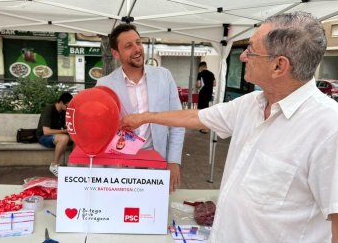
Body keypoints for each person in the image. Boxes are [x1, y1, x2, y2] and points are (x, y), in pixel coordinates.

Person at [120, 12, 338, 242]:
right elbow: (197, 117)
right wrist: (145, 117)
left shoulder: (328, 128)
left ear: (278, 66)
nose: (243, 57)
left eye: (251, 50)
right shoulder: (251, 103)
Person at [96, 23, 185, 192]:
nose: (137, 49)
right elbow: (100, 129)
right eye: (129, 46)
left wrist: (174, 161)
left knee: (153, 211)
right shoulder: (104, 84)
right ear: (116, 53)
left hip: (156, 159)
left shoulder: (163, 76)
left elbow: (177, 121)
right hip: (120, 164)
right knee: (123, 211)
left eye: (138, 42)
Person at [37, 92, 73, 177]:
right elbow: (46, 131)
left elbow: (66, 126)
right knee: (64, 138)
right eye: (67, 106)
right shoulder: (49, 110)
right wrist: (64, 131)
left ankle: (72, 163)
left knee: (76, 139)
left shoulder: (63, 112)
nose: (68, 108)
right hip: (44, 137)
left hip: (57, 136)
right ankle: (54, 165)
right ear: (61, 102)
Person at [196, 61, 215, 134]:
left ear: (201, 67)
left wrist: (197, 85)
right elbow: (214, 84)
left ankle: (205, 128)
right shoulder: (211, 74)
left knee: (201, 111)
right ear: (206, 66)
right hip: (209, 94)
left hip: (202, 94)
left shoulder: (200, 74)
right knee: (207, 110)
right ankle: (205, 127)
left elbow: (198, 84)